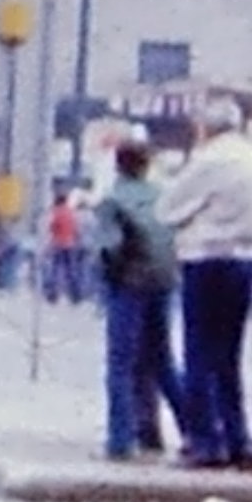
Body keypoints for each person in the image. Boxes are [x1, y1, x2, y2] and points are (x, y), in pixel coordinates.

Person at [160, 100, 252, 467]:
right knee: (228, 356)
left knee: (198, 354)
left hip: (205, 259)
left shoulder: (208, 161)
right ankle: (237, 436)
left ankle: (206, 440)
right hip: (244, 260)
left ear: (206, 127)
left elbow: (168, 209)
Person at [92, 136, 180, 457]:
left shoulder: (112, 200)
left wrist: (105, 277)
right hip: (163, 282)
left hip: (128, 284)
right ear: (147, 165)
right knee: (161, 362)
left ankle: (120, 440)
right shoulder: (163, 196)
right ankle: (188, 427)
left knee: (120, 365)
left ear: (118, 164)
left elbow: (108, 247)